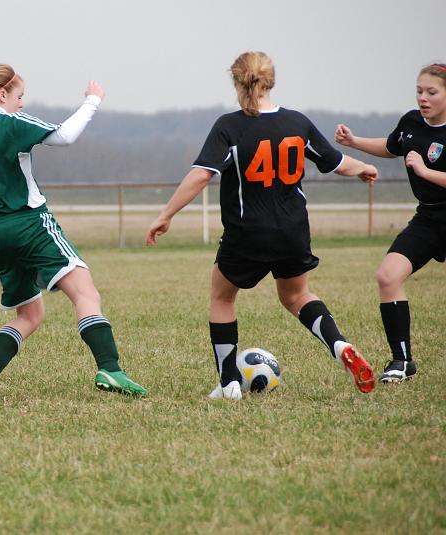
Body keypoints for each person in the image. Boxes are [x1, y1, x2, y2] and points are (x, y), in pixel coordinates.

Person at [0, 42, 147, 400]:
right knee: (86, 293)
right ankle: (111, 369)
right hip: (30, 222)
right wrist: (92, 100)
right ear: (3, 93)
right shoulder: (10, 123)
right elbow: (66, 136)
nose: (22, 103)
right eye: (20, 95)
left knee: (29, 314)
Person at [146, 51, 378, 400]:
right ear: (271, 80)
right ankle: (339, 344)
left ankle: (228, 385)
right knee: (298, 295)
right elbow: (334, 161)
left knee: (222, 297)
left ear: (238, 83)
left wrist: (166, 215)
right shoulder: (297, 123)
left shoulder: (230, 126)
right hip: (293, 231)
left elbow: (200, 176)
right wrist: (362, 166)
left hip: (248, 233)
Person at [334, 62, 446, 383]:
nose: (423, 97)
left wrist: (425, 171)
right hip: (428, 218)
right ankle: (402, 361)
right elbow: (392, 146)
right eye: (419, 91)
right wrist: (354, 142)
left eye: (432, 92)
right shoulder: (411, 122)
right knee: (387, 276)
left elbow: (423, 168)